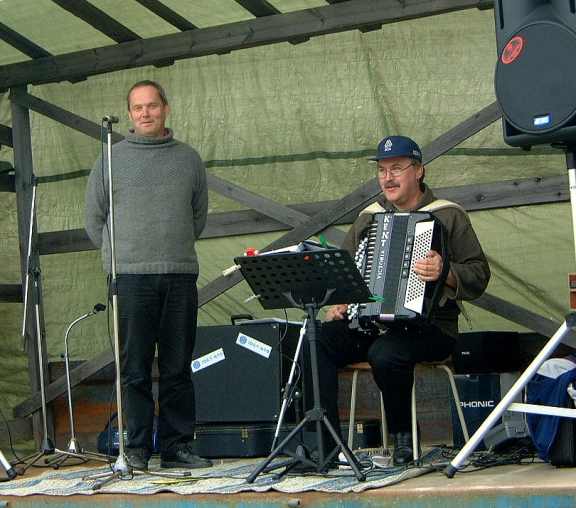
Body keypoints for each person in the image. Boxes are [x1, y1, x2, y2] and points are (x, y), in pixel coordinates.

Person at [307, 135, 490, 466]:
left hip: (431, 329)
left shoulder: (448, 214)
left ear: (419, 171)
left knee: (386, 352)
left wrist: (445, 271)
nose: (387, 178)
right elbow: (345, 273)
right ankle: (326, 446)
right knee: (315, 339)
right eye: (382, 170)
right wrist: (342, 300)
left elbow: (479, 274)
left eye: (396, 168)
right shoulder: (368, 218)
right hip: (371, 326)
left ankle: (403, 438)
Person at [85, 80, 210, 470]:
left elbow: (198, 216)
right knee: (134, 369)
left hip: (179, 275)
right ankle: (137, 448)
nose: (145, 113)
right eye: (137, 107)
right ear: (129, 113)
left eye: (152, 105)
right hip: (130, 278)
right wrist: (122, 257)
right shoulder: (110, 159)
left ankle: (176, 447)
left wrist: (169, 248)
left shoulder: (189, 159)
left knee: (177, 367)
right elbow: (94, 219)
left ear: (165, 108)